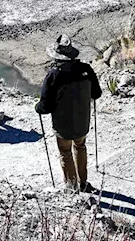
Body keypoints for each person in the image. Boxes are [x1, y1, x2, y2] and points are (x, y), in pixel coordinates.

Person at [35, 35, 102, 192]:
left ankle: (71, 187)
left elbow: (45, 107)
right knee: (80, 146)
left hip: (63, 125)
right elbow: (96, 94)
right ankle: (83, 183)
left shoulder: (53, 75)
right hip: (81, 122)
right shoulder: (86, 69)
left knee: (65, 152)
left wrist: (37, 107)